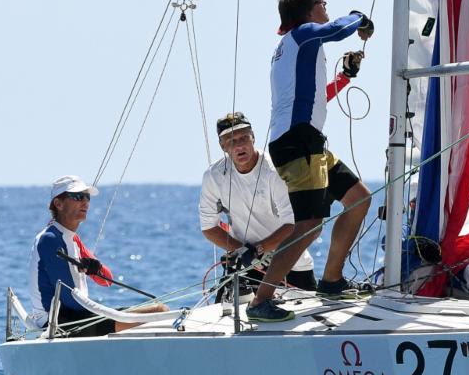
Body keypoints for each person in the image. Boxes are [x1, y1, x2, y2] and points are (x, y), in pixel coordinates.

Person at [246, 0, 373, 322]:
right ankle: (261, 299)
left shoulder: (292, 47)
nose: (325, 5)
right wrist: (359, 17)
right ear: (308, 11)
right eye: (321, 1)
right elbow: (336, 29)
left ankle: (331, 281)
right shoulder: (303, 35)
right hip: (297, 140)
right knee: (310, 225)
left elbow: (312, 99)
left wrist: (344, 77)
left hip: (305, 137)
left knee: (359, 199)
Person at [27, 175, 168, 337]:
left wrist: (95, 267)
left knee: (159, 310)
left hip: (77, 316)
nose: (85, 202)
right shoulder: (50, 239)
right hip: (57, 323)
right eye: (78, 197)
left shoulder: (72, 239)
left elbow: (106, 280)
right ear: (58, 204)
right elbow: (69, 298)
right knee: (158, 315)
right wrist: (110, 315)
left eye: (87, 197)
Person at [199, 111, 317, 295]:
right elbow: (208, 227)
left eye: (243, 138)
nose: (239, 146)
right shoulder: (213, 176)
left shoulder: (275, 170)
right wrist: (241, 250)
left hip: (292, 264)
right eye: (231, 141)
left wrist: (258, 250)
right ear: (223, 146)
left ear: (253, 138)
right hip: (248, 264)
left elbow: (292, 224)